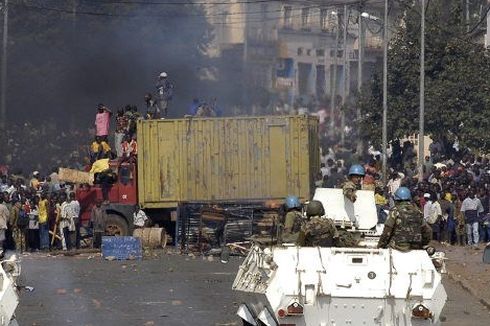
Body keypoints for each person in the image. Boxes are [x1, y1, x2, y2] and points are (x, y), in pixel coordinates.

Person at [377, 187, 432, 252]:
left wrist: (380, 246)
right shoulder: (418, 211)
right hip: (416, 246)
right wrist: (423, 244)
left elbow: (387, 232)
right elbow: (428, 230)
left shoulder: (395, 211)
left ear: (396, 199)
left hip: (398, 247)